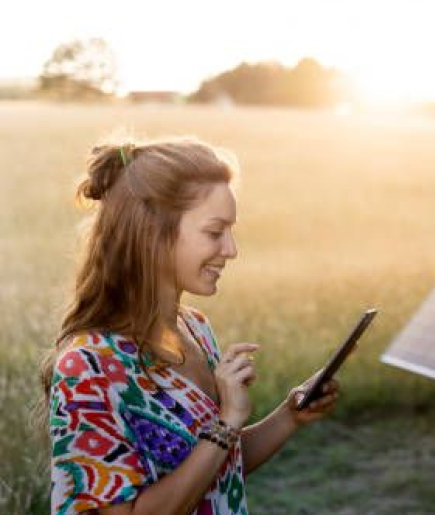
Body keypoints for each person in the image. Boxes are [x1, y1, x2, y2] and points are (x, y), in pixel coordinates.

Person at [40, 136, 340, 514]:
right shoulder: (88, 366)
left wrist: (290, 416)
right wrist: (226, 421)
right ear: (151, 232)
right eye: (215, 232)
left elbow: (216, 467)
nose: (231, 249)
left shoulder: (195, 329)